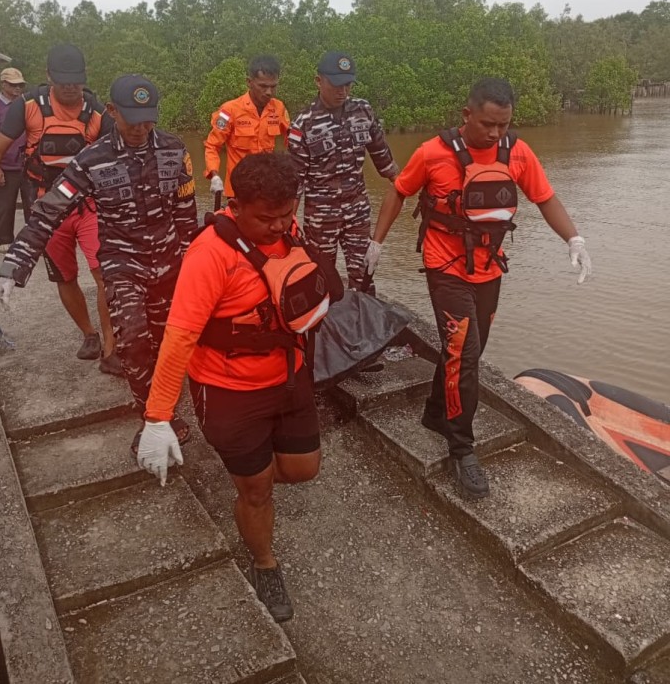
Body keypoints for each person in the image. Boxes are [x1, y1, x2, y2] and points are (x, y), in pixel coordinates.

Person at [136, 153, 340, 624]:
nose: (280, 226)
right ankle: (265, 562)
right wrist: (158, 415)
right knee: (256, 490)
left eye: (288, 213)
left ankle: (254, 483)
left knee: (304, 468)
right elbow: (180, 335)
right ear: (235, 205)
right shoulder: (209, 254)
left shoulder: (290, 231)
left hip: (289, 377)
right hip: (229, 390)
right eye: (267, 218)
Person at [366, 77, 592, 499]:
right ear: (467, 114)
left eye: (503, 125)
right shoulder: (433, 152)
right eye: (488, 124)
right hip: (444, 266)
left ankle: (436, 413)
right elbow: (398, 193)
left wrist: (573, 239)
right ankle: (461, 448)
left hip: (489, 268)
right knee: (463, 353)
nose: (495, 133)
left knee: (470, 349)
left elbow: (545, 198)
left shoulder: (517, 152)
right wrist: (377, 242)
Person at [0, 74, 199, 452]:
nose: (141, 128)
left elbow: (186, 217)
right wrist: (14, 265)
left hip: (171, 263)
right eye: (132, 118)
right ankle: (154, 419)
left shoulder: (174, 149)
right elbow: (48, 213)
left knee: (170, 343)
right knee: (133, 340)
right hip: (123, 264)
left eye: (148, 118)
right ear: (112, 111)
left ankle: (166, 407)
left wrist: (196, 265)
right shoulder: (91, 159)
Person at [0, 43, 118, 372]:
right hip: (47, 205)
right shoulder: (28, 107)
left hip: (88, 204)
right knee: (65, 275)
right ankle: (88, 334)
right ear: (48, 76)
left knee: (105, 275)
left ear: (84, 77)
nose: (69, 87)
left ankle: (110, 348)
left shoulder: (97, 113)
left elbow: (117, 158)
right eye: (62, 80)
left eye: (76, 81)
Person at [288, 50, 399, 291]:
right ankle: (323, 326)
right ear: (319, 81)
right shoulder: (303, 124)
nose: (343, 92)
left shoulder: (363, 110)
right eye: (337, 85)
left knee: (364, 274)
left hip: (357, 210)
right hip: (320, 216)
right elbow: (295, 183)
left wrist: (405, 184)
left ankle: (364, 324)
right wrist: (288, 223)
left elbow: (382, 156)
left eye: (348, 85)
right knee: (321, 278)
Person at [204, 55, 290, 198]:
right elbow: (212, 145)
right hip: (238, 191)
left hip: (267, 188)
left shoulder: (278, 108)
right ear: (249, 82)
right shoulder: (229, 110)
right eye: (263, 86)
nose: (269, 92)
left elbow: (292, 138)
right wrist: (214, 174)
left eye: (273, 86)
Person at [0, 67, 33, 252]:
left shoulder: (27, 104)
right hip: (5, 165)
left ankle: (33, 239)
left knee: (33, 204)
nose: (17, 88)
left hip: (28, 163)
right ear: (4, 84)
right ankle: (4, 240)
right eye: (13, 85)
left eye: (20, 85)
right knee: (4, 205)